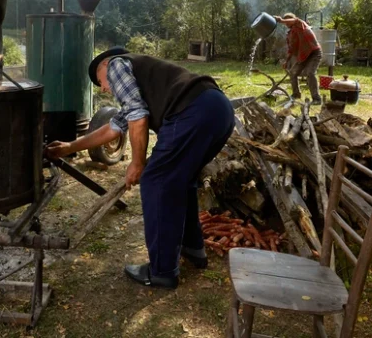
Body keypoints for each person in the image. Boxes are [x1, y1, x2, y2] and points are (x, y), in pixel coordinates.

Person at [45, 47, 234, 289]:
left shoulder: (115, 65)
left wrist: (137, 163)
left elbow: (138, 118)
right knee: (180, 181)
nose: (104, 87)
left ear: (105, 65)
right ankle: (193, 248)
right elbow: (114, 127)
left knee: (156, 181)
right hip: (219, 111)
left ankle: (162, 271)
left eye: (99, 81)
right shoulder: (140, 82)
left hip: (192, 111)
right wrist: (70, 146)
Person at [274, 13, 322, 104]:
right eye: (285, 23)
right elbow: (291, 50)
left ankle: (317, 99)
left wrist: (281, 20)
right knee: (293, 73)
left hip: (314, 53)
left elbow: (295, 20)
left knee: (310, 73)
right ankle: (296, 94)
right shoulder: (290, 34)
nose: (286, 24)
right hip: (303, 56)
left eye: (288, 21)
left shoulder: (300, 24)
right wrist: (286, 62)